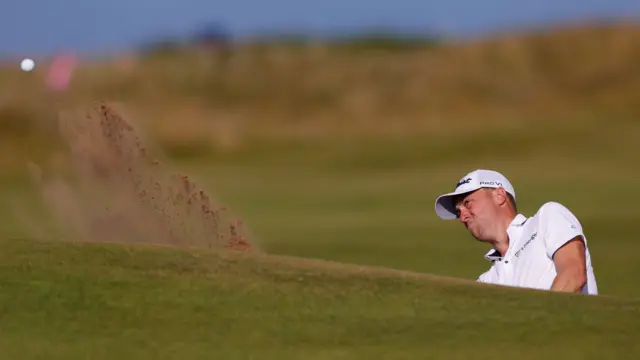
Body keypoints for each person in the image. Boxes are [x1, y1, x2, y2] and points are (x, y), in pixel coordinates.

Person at [434, 169, 598, 294]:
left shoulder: (547, 217)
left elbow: (574, 275)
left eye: (468, 202)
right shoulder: (487, 281)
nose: (462, 217)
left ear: (499, 195)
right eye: (458, 211)